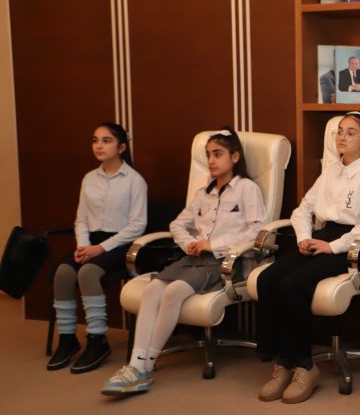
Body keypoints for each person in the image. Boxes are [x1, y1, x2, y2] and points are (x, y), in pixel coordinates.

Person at [101, 128, 265, 395]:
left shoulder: (247, 189)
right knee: (153, 289)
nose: (211, 161)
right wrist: (188, 243)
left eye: (218, 154)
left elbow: (257, 231)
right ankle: (134, 365)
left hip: (225, 263)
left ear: (234, 157)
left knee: (173, 291)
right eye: (208, 155)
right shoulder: (203, 193)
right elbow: (177, 224)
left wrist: (214, 244)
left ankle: (145, 367)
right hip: (193, 258)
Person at [255, 113, 360, 404]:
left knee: (292, 284)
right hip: (321, 237)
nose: (342, 137)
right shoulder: (331, 170)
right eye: (339, 131)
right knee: (268, 278)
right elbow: (302, 210)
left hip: (352, 246)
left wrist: (334, 246)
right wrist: (304, 239)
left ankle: (304, 365)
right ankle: (283, 361)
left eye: (351, 133)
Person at [47, 122, 147, 373]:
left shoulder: (135, 181)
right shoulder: (89, 179)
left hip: (120, 243)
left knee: (88, 272)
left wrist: (100, 248)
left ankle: (97, 340)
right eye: (95, 140)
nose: (98, 146)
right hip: (91, 242)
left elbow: (137, 226)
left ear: (121, 147)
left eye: (106, 140)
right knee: (63, 272)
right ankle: (67, 338)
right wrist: (83, 246)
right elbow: (81, 219)